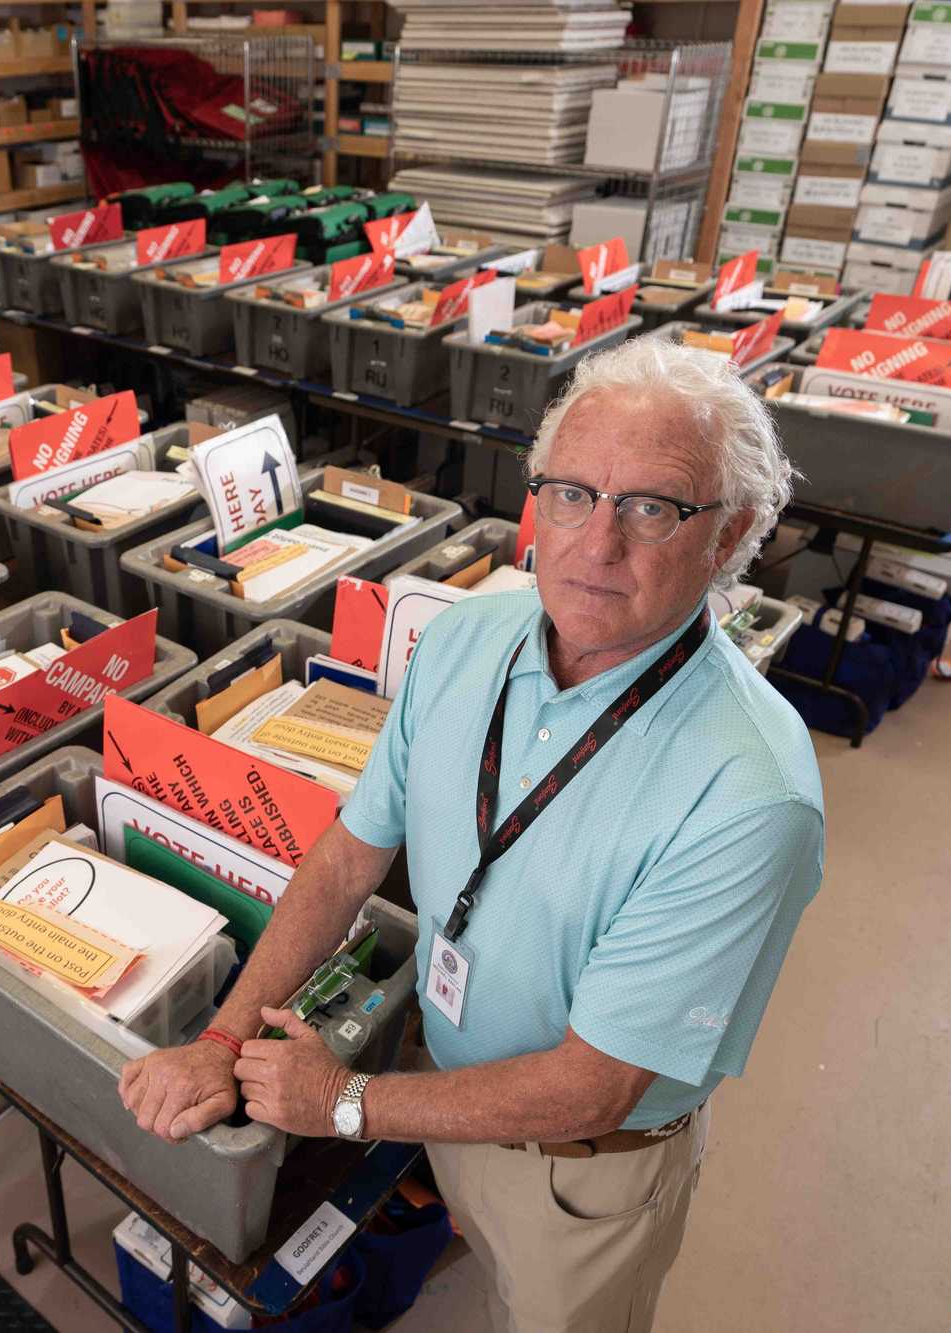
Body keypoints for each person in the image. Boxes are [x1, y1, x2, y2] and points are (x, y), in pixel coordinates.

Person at [117, 333, 824, 1331]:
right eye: (570, 491)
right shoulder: (463, 641)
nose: (594, 541)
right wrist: (222, 1033)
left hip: (580, 1180)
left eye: (651, 507)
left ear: (730, 533)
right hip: (442, 1092)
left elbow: (590, 1089)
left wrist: (345, 1106)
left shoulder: (748, 795)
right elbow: (346, 857)